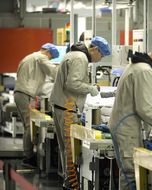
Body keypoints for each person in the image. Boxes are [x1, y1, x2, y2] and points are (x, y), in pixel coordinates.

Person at [109, 38, 152, 190]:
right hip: (126, 129)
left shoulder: (138, 66)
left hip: (124, 126)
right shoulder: (145, 70)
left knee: (129, 172)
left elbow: (145, 103)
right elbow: (144, 109)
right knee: (130, 174)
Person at [50, 36, 111, 189]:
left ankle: (68, 181)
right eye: (101, 55)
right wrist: (90, 89)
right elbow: (72, 83)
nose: (99, 59)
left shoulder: (74, 54)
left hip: (61, 105)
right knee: (70, 149)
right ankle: (70, 183)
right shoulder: (81, 57)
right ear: (95, 49)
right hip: (67, 107)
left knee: (66, 148)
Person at [14, 43, 59, 168]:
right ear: (48, 52)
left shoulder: (30, 58)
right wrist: (63, 77)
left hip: (24, 94)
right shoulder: (41, 57)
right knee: (29, 125)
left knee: (28, 125)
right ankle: (28, 158)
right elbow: (54, 72)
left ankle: (28, 155)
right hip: (25, 94)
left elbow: (40, 82)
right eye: (51, 57)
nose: (49, 59)